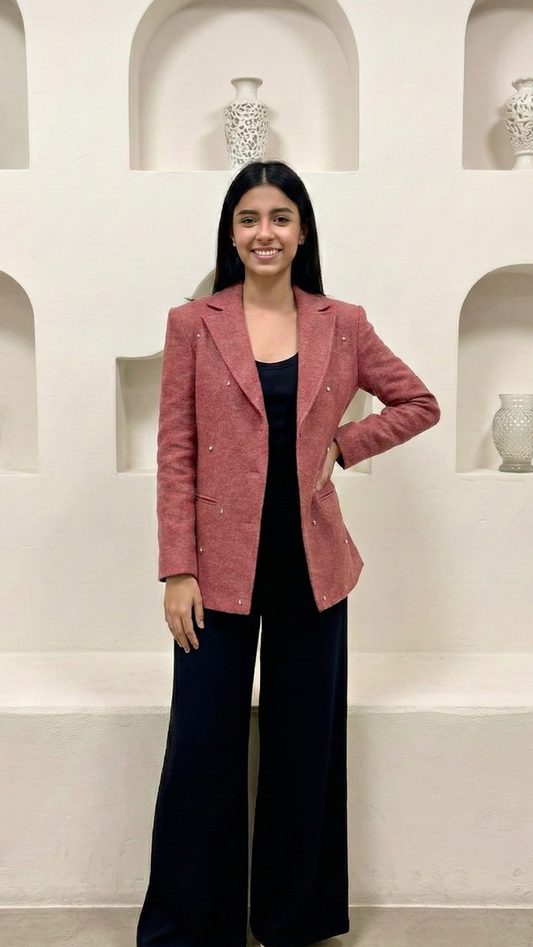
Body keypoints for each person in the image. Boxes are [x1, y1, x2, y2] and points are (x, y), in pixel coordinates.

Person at [136, 161, 440, 947]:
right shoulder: (194, 322)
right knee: (202, 744)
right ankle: (187, 926)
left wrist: (343, 443)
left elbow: (417, 402)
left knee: (305, 748)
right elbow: (176, 453)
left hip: (313, 566)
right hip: (215, 568)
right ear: (230, 232)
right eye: (247, 218)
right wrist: (177, 567)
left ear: (301, 230)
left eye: (278, 217)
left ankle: (293, 918)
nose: (262, 233)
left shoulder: (341, 321)